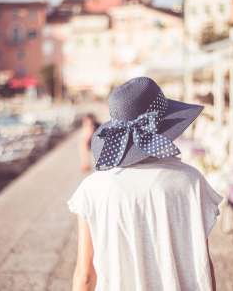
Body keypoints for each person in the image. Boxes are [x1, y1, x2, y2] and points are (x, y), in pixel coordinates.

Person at [68, 77, 222, 291]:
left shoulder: (92, 190)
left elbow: (85, 276)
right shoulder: (192, 182)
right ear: (166, 125)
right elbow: (204, 263)